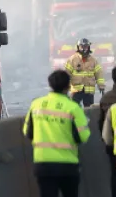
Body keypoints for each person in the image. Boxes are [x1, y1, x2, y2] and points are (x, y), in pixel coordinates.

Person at [23, 69, 90, 197]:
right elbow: (83, 136)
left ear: (50, 85)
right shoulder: (73, 107)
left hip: (43, 164)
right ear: (68, 86)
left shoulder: (36, 105)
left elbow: (27, 132)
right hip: (68, 165)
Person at [65, 38, 105, 106]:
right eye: (82, 47)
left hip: (89, 91)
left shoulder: (93, 60)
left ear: (89, 47)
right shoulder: (72, 60)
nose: (84, 49)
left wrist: (101, 86)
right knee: (73, 108)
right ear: (78, 47)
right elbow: (66, 74)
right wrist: (65, 87)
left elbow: (99, 74)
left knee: (89, 110)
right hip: (76, 90)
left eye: (85, 46)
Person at [100, 66, 116, 197]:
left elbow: (103, 127)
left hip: (115, 149)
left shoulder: (106, 99)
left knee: (115, 177)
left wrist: (108, 144)